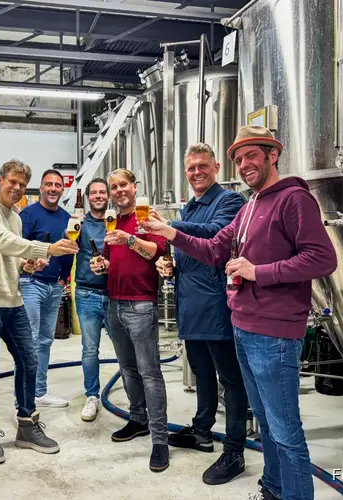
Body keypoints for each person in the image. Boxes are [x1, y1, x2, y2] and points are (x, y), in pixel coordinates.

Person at [139, 126, 338, 500]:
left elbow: (323, 258)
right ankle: (274, 489)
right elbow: (214, 247)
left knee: (285, 430)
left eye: (251, 156)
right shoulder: (249, 206)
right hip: (243, 327)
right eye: (239, 159)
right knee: (264, 421)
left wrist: (258, 272)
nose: (245, 164)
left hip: (275, 334)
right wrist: (170, 233)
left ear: (272, 155)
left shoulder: (293, 199)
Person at [0, 159, 79, 464]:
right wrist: (47, 250)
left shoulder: (15, 217)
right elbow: (3, 242)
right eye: (11, 181)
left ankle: (26, 424)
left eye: (20, 184)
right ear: (0, 179)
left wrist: (24, 264)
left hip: (11, 301)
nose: (16, 188)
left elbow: (8, 255)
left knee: (29, 360)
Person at [151, 143, 249, 485]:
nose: (196, 172)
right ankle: (201, 431)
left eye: (202, 166)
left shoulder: (230, 201)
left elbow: (213, 236)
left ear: (217, 167)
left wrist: (170, 228)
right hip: (190, 304)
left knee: (232, 381)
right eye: (191, 167)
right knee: (202, 374)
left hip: (217, 305)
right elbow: (187, 251)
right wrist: (170, 265)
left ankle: (235, 449)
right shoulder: (190, 206)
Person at [89, 168, 171, 473]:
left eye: (123, 184)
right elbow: (113, 258)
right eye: (114, 187)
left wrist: (130, 238)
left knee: (150, 373)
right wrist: (102, 264)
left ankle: (160, 440)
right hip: (115, 303)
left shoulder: (147, 217)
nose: (118, 190)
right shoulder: (115, 221)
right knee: (126, 368)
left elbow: (156, 253)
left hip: (141, 304)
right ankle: (138, 419)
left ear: (134, 187)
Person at [15, 169, 74, 409]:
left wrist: (63, 280)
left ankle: (39, 392)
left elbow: (71, 248)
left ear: (62, 189)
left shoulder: (67, 217)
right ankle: (24, 398)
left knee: (46, 341)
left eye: (57, 185)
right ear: (40, 187)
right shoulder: (28, 214)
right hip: (31, 284)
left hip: (54, 286)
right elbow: (20, 247)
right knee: (29, 340)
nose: (53, 188)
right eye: (48, 184)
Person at [72, 178, 112, 421]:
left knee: (124, 350)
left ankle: (134, 398)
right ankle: (92, 396)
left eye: (102, 192)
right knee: (89, 350)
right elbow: (65, 248)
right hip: (87, 293)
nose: (98, 196)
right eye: (94, 192)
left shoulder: (115, 223)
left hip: (115, 293)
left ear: (108, 196)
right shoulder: (79, 224)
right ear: (88, 197)